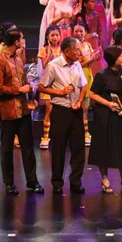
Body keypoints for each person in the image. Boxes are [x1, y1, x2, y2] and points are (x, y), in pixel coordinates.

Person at [0, 28, 43, 196]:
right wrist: (19, 90)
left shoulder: (18, 58)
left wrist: (31, 96)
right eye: (21, 39)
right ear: (16, 42)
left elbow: (24, 80)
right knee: (7, 148)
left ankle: (32, 181)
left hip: (23, 109)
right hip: (8, 111)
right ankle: (9, 182)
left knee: (28, 147)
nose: (23, 42)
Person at [40, 36, 88, 195]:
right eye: (76, 50)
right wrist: (60, 92)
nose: (79, 52)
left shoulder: (77, 65)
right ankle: (57, 183)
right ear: (67, 51)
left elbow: (83, 86)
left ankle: (76, 182)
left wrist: (79, 101)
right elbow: (41, 87)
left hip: (75, 112)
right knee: (59, 149)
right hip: (60, 112)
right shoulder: (53, 66)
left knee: (78, 149)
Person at [89, 45, 122, 193]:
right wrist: (108, 104)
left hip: (121, 114)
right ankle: (104, 178)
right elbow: (92, 94)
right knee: (104, 145)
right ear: (114, 58)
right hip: (105, 115)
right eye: (121, 55)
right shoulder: (101, 75)